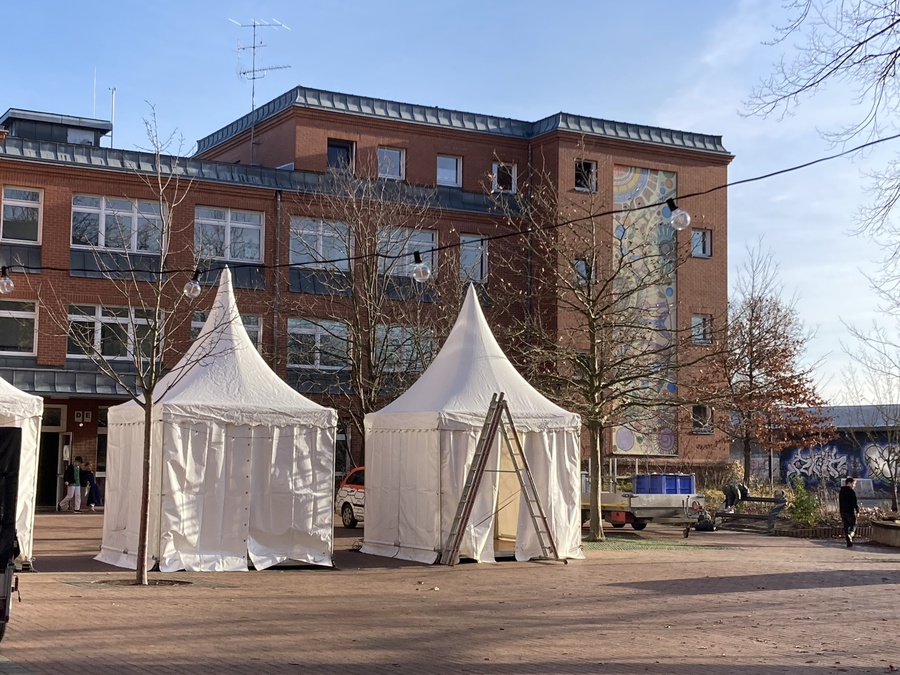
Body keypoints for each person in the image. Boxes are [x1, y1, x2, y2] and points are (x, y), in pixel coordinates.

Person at [839, 477, 860, 548]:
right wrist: (857, 511)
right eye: (853, 484)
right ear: (849, 483)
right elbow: (854, 503)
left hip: (842, 511)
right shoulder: (851, 492)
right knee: (854, 525)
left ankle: (849, 542)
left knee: (846, 526)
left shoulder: (841, 491)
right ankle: (850, 535)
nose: (854, 485)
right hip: (850, 512)